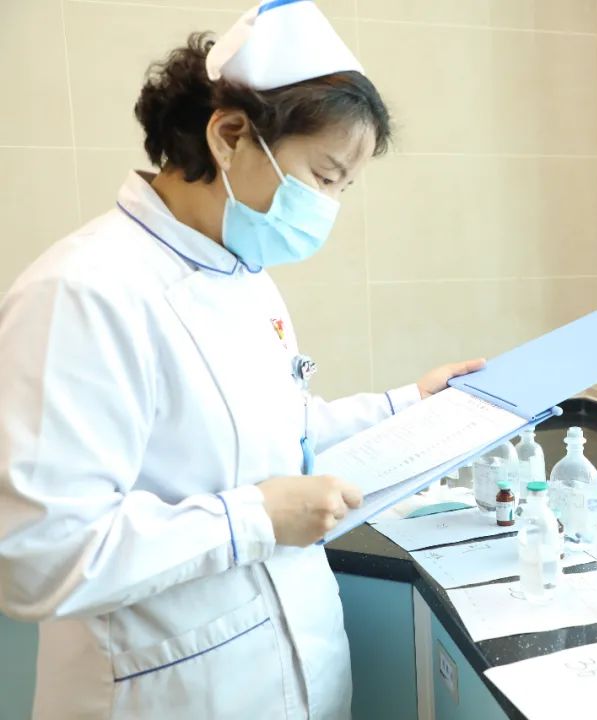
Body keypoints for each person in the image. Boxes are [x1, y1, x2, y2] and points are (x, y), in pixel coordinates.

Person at [0, 1, 481, 717]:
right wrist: (249, 521)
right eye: (324, 176)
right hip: (165, 693)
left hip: (289, 674)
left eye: (343, 187)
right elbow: (38, 554)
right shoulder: (83, 292)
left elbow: (277, 438)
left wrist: (408, 406)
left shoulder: (241, 273)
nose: (330, 207)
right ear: (229, 136)